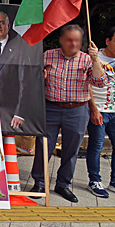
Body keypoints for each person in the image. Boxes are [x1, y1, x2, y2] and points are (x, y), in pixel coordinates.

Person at [31, 25, 107, 202]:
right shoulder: (48, 55)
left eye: (77, 40)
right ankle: (39, 182)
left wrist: (95, 59)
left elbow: (100, 82)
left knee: (71, 149)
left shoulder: (87, 59)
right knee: (43, 146)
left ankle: (63, 184)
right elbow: (33, 79)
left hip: (77, 109)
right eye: (69, 40)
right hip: (51, 107)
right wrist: (41, 78)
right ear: (61, 40)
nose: (73, 44)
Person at [86, 26, 115, 198]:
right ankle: (95, 180)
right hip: (100, 109)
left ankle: (114, 181)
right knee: (96, 146)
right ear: (108, 41)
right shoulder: (94, 57)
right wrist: (93, 108)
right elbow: (86, 84)